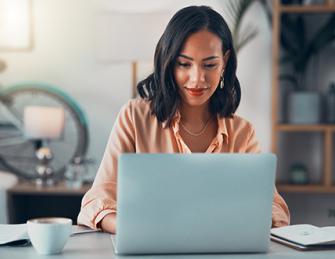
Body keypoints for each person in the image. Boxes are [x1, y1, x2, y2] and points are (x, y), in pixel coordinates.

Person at [78, 5, 290, 234]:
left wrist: (244, 221)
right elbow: (96, 201)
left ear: (225, 62)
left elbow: (274, 207)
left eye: (209, 65)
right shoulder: (134, 117)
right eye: (184, 64)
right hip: (150, 246)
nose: (197, 79)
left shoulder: (242, 132)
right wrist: (131, 229)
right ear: (169, 63)